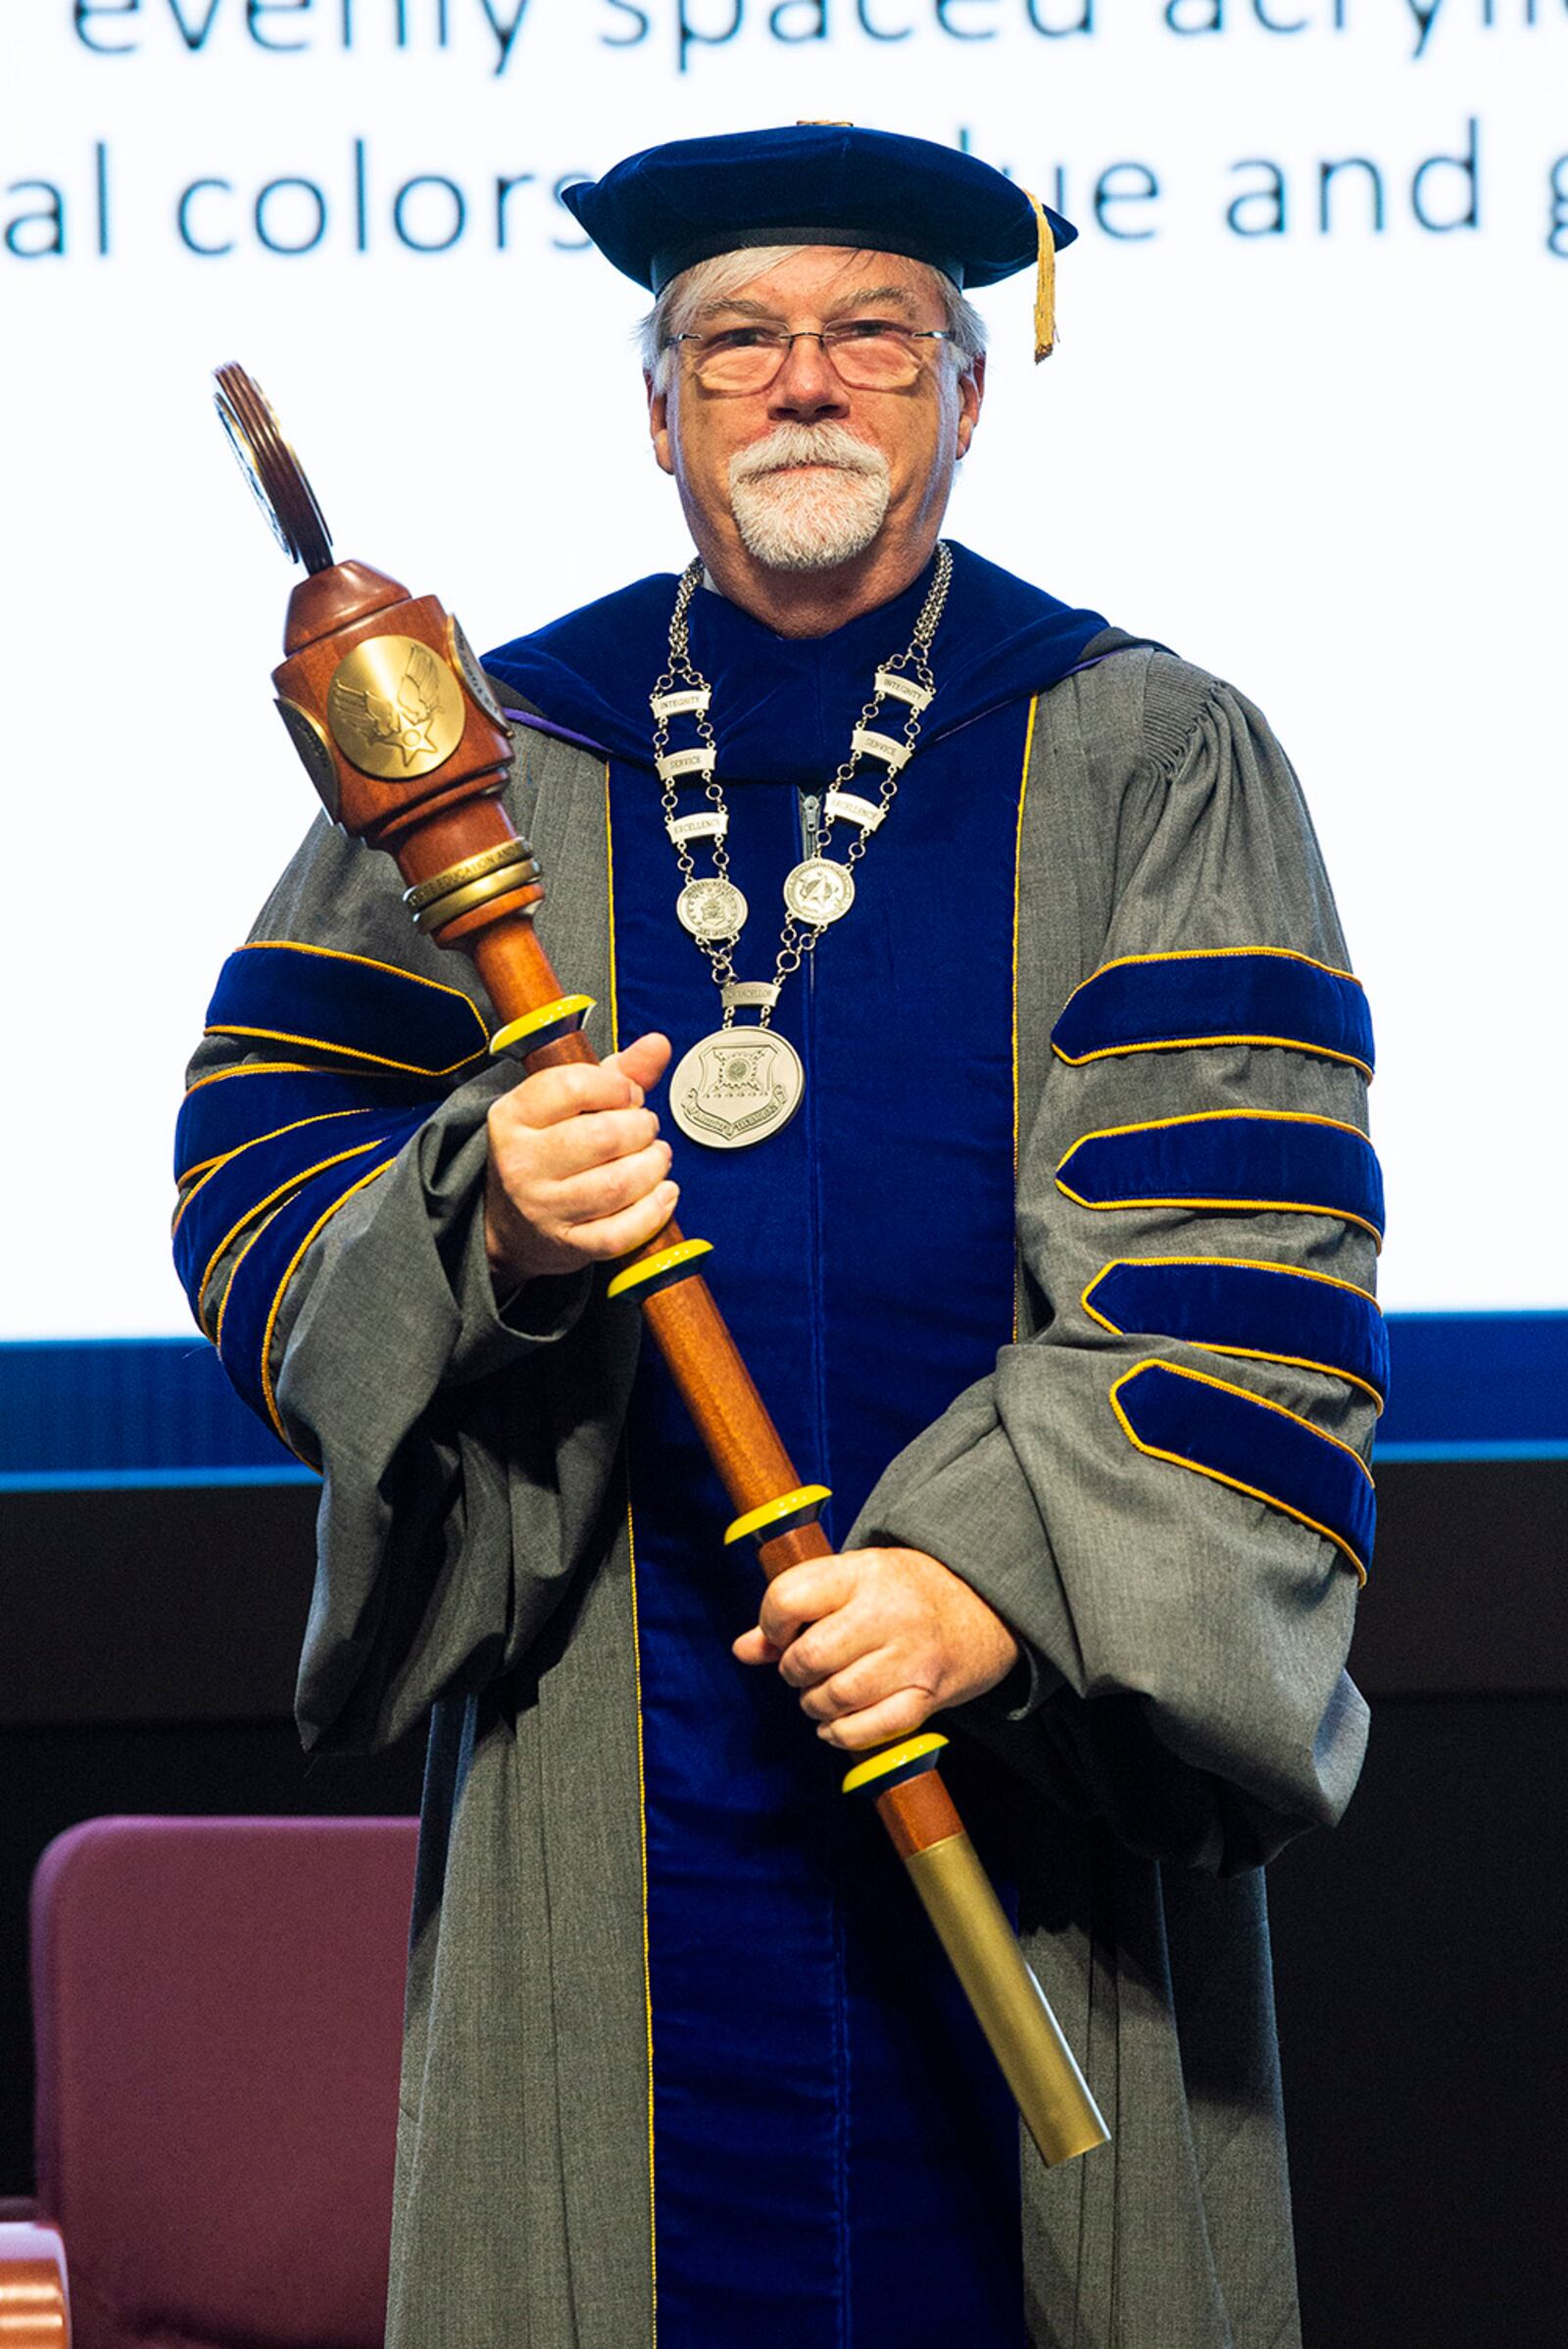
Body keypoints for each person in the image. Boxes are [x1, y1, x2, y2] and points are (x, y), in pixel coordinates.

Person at [174, 124, 1384, 2349]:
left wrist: (989, 1591)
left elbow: (1241, 1262)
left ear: (960, 395)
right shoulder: (488, 751)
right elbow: (265, 1162)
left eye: (869, 338)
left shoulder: (1148, 755)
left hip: (1026, 1748)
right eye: (734, 342)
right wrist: (489, 1221)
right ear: (658, 410)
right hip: (610, 1748)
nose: (801, 384)